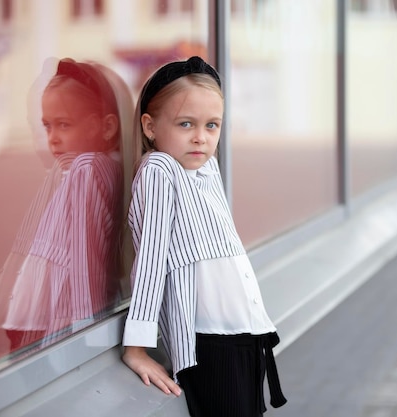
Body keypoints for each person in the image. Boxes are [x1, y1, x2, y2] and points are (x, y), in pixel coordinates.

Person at [121, 56, 287, 416]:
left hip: (245, 339)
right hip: (210, 347)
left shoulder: (206, 168)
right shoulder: (159, 170)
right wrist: (137, 349)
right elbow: (151, 262)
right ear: (150, 126)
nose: (201, 137)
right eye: (186, 124)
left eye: (212, 125)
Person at [0, 58, 133, 357]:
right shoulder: (102, 168)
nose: (52, 138)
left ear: (106, 126)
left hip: (66, 319)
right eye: (47, 125)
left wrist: (86, 335)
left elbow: (86, 263)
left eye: (64, 124)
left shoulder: (85, 170)